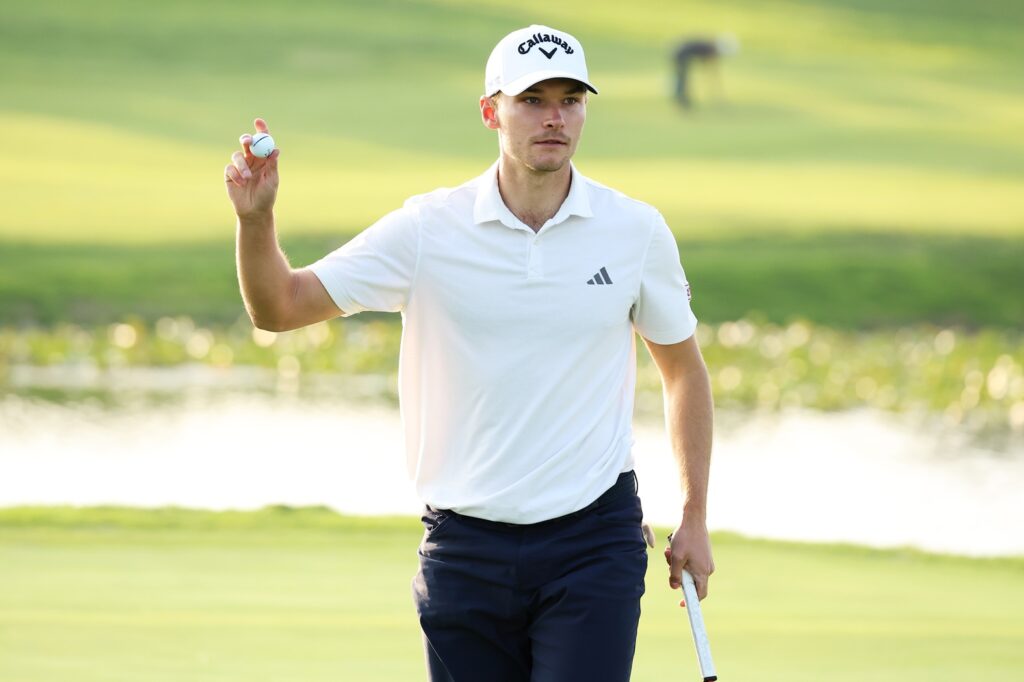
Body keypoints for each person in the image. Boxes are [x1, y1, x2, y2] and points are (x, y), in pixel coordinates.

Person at [224, 24, 714, 682]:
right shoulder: (429, 229)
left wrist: (693, 515)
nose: (554, 117)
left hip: (592, 540)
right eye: (532, 99)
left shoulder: (634, 231)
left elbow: (683, 372)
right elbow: (279, 307)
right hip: (465, 548)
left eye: (570, 99)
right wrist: (256, 221)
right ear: (491, 111)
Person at [672, 34, 739, 108]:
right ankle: (682, 101)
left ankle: (682, 100)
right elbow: (710, 68)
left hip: (680, 53)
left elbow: (705, 64)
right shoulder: (710, 49)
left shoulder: (708, 46)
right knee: (683, 78)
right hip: (680, 54)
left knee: (682, 78)